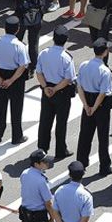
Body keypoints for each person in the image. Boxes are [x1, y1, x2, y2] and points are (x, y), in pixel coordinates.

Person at [35, 25, 76, 160]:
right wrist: (55, 89)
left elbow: (39, 72)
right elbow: (68, 79)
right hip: (61, 93)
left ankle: (42, 148)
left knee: (45, 121)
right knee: (61, 122)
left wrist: (46, 87)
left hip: (46, 91)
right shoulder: (66, 58)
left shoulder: (44, 53)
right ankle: (60, 150)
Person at [0, 15, 30, 145]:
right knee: (16, 108)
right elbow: (23, 65)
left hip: (0, 74)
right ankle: (17, 136)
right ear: (17, 29)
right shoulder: (20, 46)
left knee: (0, 107)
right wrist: (11, 80)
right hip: (15, 79)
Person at [76, 38, 112, 175]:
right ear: (104, 52)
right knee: (103, 137)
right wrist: (95, 107)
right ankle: (104, 166)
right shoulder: (105, 71)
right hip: (100, 106)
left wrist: (86, 105)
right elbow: (103, 93)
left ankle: (81, 163)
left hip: (87, 100)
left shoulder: (84, 65)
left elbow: (79, 86)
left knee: (85, 135)